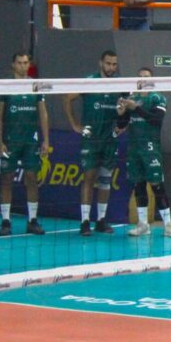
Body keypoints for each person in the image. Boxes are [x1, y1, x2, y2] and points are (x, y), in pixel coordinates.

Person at [64, 50, 123, 236]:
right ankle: (84, 222)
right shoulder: (90, 81)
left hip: (109, 140)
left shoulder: (120, 85)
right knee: (89, 177)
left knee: (105, 180)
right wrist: (75, 124)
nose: (111, 68)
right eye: (108, 64)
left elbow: (128, 107)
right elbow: (66, 98)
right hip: (91, 138)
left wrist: (123, 125)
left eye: (114, 64)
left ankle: (101, 220)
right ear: (101, 63)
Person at [118, 67, 171, 238]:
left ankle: (169, 224)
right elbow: (122, 124)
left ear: (152, 80)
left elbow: (155, 119)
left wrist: (135, 108)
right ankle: (142, 224)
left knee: (156, 184)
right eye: (140, 77)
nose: (143, 80)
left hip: (151, 148)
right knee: (138, 185)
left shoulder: (157, 98)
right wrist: (121, 113)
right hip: (134, 148)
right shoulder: (132, 98)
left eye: (146, 77)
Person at [0, 53, 47, 237]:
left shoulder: (35, 86)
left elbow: (43, 114)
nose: (23, 66)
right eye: (19, 63)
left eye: (25, 63)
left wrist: (46, 140)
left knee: (31, 178)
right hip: (10, 142)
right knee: (6, 179)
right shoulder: (6, 86)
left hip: (30, 142)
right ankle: (5, 221)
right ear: (13, 65)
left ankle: (32, 221)